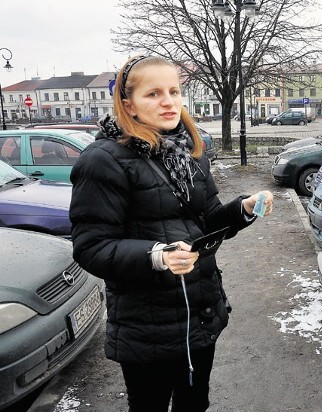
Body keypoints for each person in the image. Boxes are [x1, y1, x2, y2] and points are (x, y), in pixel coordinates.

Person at [69, 55, 274, 412]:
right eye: (153, 94)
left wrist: (243, 208)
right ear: (128, 105)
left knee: (195, 403)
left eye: (174, 91)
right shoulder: (102, 160)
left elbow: (207, 221)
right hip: (147, 328)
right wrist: (157, 256)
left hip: (200, 316)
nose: (168, 101)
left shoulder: (190, 153)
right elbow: (90, 247)